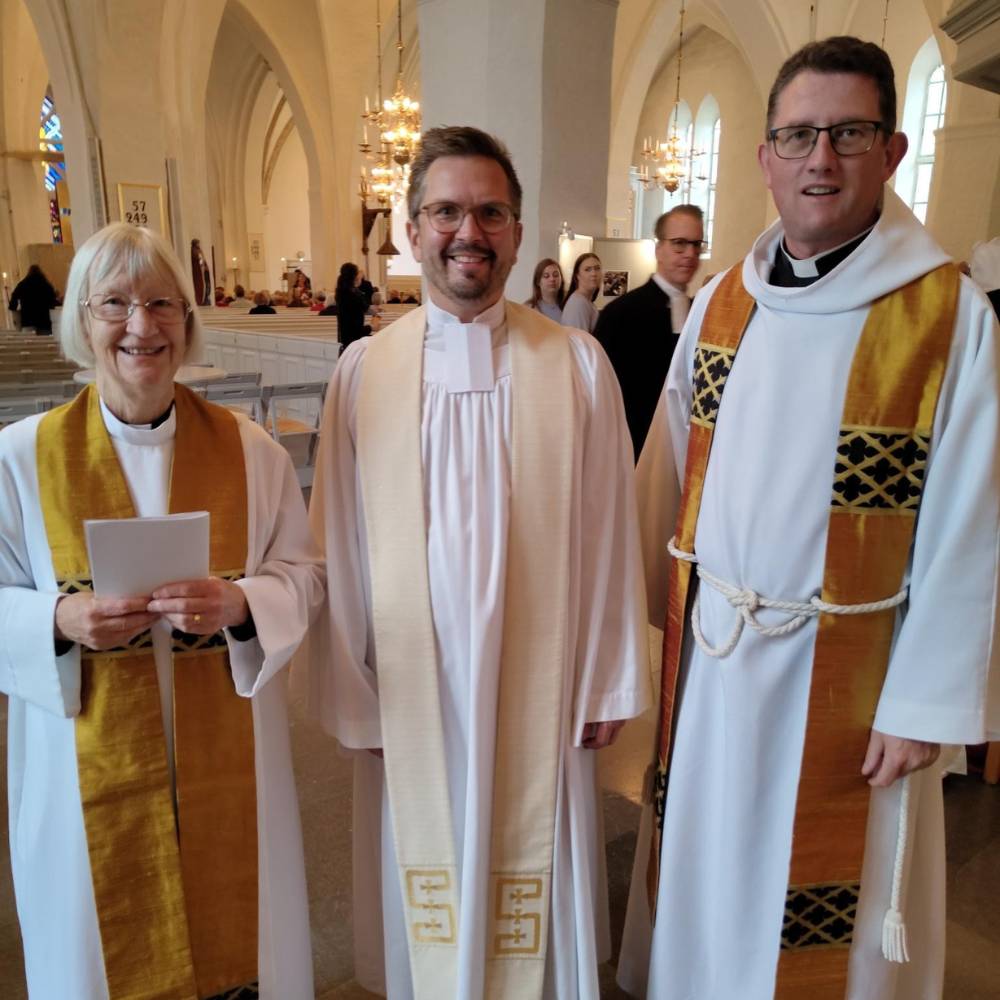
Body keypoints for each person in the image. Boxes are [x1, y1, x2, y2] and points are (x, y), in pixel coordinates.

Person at [618, 36, 1000, 1000]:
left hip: (854, 686)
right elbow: (667, 466)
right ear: (765, 158)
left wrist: (923, 706)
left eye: (848, 132)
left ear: (893, 150)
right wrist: (630, 627)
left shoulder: (946, 316)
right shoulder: (720, 304)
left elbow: (974, 519)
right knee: (711, 872)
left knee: (829, 918)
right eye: (797, 135)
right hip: (713, 662)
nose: (819, 158)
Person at [296, 125, 651, 1000]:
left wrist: (607, 680)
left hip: (544, 679)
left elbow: (609, 527)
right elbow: (334, 540)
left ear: (518, 233)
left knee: (534, 859)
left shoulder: (576, 364)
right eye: (446, 211)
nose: (469, 232)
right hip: (413, 687)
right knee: (428, 861)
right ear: (413, 231)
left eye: (490, 212)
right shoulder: (362, 372)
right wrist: (354, 692)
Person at [0, 222, 323, 999]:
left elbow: (304, 577)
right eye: (113, 303)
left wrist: (240, 601)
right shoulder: (19, 458)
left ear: (186, 319)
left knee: (239, 951)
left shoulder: (253, 454)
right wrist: (55, 620)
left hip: (226, 756)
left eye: (160, 304)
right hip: (87, 760)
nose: (140, 326)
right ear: (80, 319)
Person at [594, 206, 704, 460]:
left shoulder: (699, 311)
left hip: (682, 451)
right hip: (634, 451)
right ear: (658, 249)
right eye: (679, 244)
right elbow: (601, 397)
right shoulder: (621, 314)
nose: (690, 254)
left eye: (696, 245)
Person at [8, 264, 59, 334]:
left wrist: (13, 307)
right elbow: (52, 300)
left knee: (30, 341)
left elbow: (14, 296)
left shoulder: (23, 284)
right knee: (45, 341)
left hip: (28, 320)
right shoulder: (46, 284)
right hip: (44, 320)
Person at [332, 262, 372, 348]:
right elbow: (355, 332)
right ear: (355, 277)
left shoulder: (342, 293)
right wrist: (371, 327)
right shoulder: (353, 297)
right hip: (353, 344)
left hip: (345, 341)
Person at [561, 252, 602, 333]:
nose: (593, 273)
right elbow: (580, 343)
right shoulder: (578, 303)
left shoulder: (586, 302)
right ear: (577, 276)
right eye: (588, 270)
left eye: (597, 268)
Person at [525, 257, 565, 322]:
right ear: (538, 282)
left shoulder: (569, 306)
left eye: (555, 275)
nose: (552, 279)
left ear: (561, 279)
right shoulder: (529, 308)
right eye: (546, 276)